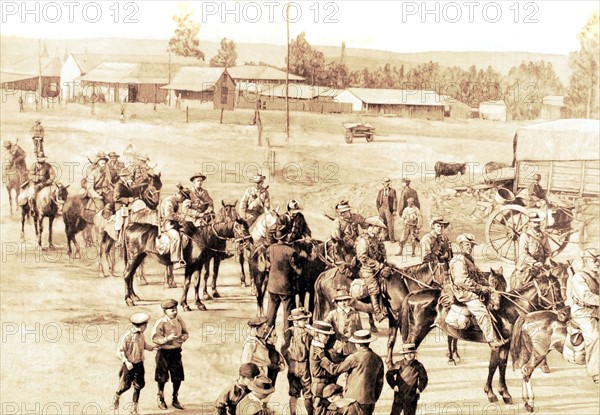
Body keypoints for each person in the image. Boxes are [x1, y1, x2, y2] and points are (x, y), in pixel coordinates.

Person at [449, 234, 506, 348]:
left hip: (472, 290)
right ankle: (492, 340)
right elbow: (461, 280)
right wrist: (480, 288)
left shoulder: (468, 259)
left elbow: (479, 276)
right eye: (467, 245)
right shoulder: (458, 260)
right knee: (482, 312)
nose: (469, 247)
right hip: (464, 293)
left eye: (471, 246)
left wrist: (488, 285)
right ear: (461, 246)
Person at [321, 330, 385, 415]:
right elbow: (379, 383)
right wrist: (374, 398)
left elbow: (335, 370)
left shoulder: (354, 357)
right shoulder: (378, 359)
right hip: (370, 401)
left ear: (357, 344)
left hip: (353, 400)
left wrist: (323, 358)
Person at [110, 312, 157, 415]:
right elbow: (119, 351)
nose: (146, 327)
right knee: (125, 386)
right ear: (141, 325)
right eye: (145, 325)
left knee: (138, 386)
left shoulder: (141, 335)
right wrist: (126, 362)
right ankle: (117, 395)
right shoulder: (127, 336)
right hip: (129, 365)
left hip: (139, 364)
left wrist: (152, 348)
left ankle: (134, 408)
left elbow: (144, 345)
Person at [566, 249, 599, 384]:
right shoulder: (578, 277)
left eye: (599, 260)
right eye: (594, 261)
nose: (598, 263)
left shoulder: (597, 275)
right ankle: (596, 372)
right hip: (582, 312)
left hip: (596, 310)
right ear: (585, 261)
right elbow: (585, 296)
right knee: (595, 337)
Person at [152, 299, 189, 410]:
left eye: (175, 309)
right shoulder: (161, 322)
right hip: (164, 353)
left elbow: (185, 332)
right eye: (172, 310)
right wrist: (167, 339)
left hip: (176, 352)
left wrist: (184, 337)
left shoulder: (179, 320)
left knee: (177, 377)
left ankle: (175, 398)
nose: (175, 312)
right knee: (161, 377)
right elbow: (155, 338)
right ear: (165, 311)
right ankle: (161, 397)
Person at [265, 226, 302, 331]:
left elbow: (268, 266)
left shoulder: (270, 249)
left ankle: (267, 336)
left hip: (272, 287)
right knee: (288, 315)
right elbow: (298, 270)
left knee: (270, 313)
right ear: (287, 237)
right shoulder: (291, 251)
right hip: (286, 288)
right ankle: (287, 339)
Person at [355, 216, 391, 322]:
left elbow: (381, 252)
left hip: (379, 267)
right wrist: (377, 264)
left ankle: (386, 308)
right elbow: (362, 257)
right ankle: (377, 313)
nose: (380, 230)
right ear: (372, 227)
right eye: (378, 228)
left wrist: (384, 260)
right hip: (367, 269)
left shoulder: (376, 239)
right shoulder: (363, 240)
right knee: (374, 287)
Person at [282, 307, 314, 415]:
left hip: (302, 365)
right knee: (296, 393)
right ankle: (293, 413)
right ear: (295, 321)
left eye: (306, 319)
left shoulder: (307, 332)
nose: (306, 321)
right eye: (303, 319)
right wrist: (289, 361)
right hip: (297, 365)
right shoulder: (290, 332)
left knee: (306, 393)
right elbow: (284, 349)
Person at [511, 211, 551, 291]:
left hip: (541, 266)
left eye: (538, 222)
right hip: (527, 265)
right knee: (524, 283)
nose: (537, 224)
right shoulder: (525, 236)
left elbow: (547, 251)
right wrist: (534, 263)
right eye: (534, 222)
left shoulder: (544, 235)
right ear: (529, 223)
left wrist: (547, 260)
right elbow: (523, 254)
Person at [307, 321, 341, 415]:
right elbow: (317, 372)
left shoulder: (320, 347)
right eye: (325, 335)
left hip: (322, 385)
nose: (328, 337)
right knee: (320, 410)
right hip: (320, 386)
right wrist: (334, 372)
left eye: (329, 335)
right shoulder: (317, 349)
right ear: (317, 334)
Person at [386, 343, 428, 415]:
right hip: (399, 394)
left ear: (415, 354)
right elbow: (389, 374)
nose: (409, 355)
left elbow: (424, 378)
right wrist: (394, 385)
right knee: (395, 413)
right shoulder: (398, 364)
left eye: (411, 353)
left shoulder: (419, 366)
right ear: (403, 355)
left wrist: (419, 388)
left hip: (412, 395)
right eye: (406, 353)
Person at [159, 184, 192, 270]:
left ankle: (182, 258)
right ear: (180, 196)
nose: (183, 201)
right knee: (176, 237)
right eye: (184, 199)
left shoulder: (174, 201)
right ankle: (175, 261)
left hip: (173, 224)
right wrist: (181, 218)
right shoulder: (169, 201)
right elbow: (169, 215)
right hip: (167, 225)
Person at [324, 287, 363, 358]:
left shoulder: (355, 314)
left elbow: (360, 330)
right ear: (337, 302)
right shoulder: (332, 314)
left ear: (348, 301)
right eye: (340, 301)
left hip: (351, 348)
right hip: (336, 346)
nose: (343, 303)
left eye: (345, 300)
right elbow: (325, 324)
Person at [420, 217, 452, 285]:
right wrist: (437, 256)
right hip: (430, 270)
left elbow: (450, 256)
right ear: (433, 226)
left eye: (442, 226)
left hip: (444, 270)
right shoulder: (427, 239)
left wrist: (447, 255)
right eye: (438, 226)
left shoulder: (445, 239)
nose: (440, 228)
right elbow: (426, 258)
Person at [113, 168, 136, 246]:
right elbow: (115, 198)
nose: (126, 177)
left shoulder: (127, 184)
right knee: (119, 222)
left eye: (127, 176)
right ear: (121, 176)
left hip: (128, 206)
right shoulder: (118, 185)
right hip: (120, 206)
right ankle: (117, 240)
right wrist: (128, 199)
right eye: (124, 176)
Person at [376, 177, 398, 242]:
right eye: (384, 184)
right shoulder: (380, 191)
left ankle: (392, 238)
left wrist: (394, 210)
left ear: (388, 184)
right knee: (382, 223)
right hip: (382, 209)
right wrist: (379, 208)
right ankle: (385, 237)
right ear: (383, 184)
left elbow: (395, 201)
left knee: (390, 224)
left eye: (387, 183)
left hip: (389, 209)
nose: (386, 185)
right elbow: (377, 201)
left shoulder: (393, 191)